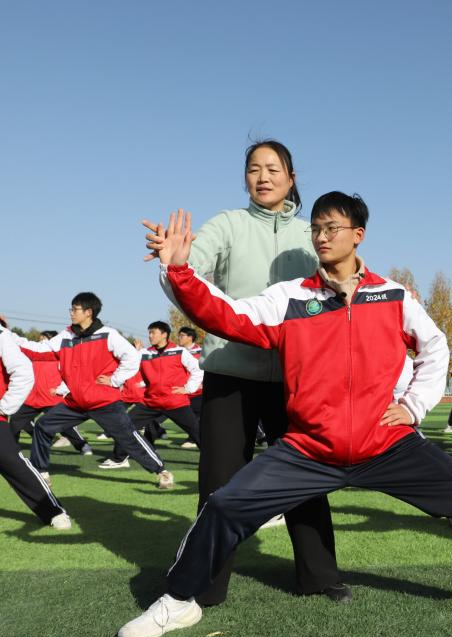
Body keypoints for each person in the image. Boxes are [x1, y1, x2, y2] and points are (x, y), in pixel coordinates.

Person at [118, 194, 452, 637]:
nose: (322, 237)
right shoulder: (289, 297)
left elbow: (435, 346)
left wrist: (414, 405)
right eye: (317, 229)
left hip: (385, 443)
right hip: (309, 448)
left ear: (357, 235)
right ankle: (178, 601)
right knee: (225, 504)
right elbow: (227, 316)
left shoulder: (393, 294)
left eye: (333, 228)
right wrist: (179, 271)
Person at [148, 140, 342, 605]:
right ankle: (205, 584)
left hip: (298, 378)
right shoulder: (228, 225)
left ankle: (319, 575)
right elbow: (187, 276)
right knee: (219, 482)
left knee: (306, 477)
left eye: (273, 169)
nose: (263, 177)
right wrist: (174, 262)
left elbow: (341, 286)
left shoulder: (308, 234)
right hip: (230, 371)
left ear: (291, 178)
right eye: (253, 169)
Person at [10, 293, 174, 489]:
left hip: (104, 403)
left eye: (75, 309)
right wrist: (7, 336)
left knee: (129, 438)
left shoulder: (108, 334)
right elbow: (39, 350)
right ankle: (41, 472)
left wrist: (114, 380)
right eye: (71, 309)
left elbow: (132, 357)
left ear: (88, 312)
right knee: (43, 426)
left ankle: (161, 471)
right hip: (75, 403)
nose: (71, 313)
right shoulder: (67, 336)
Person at [0, 325, 72, 529]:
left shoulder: (1, 336)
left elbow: (23, 372)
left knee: (12, 462)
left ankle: (53, 511)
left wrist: (5, 407)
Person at [109, 321, 202, 462]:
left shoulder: (179, 351)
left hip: (175, 402)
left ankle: (214, 459)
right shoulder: (144, 353)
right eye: (149, 333)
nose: (150, 336)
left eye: (153, 333)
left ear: (164, 335)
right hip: (151, 402)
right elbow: (127, 366)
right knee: (125, 427)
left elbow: (198, 369)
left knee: (197, 432)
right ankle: (119, 459)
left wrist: (188, 388)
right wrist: (112, 381)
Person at [7, 330, 93, 457]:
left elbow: (70, 375)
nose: (41, 340)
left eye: (45, 338)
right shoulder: (34, 355)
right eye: (41, 338)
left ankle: (82, 445)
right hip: (32, 398)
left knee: (64, 425)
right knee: (15, 421)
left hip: (51, 398)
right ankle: (11, 449)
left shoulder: (60, 356)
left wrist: (60, 389)